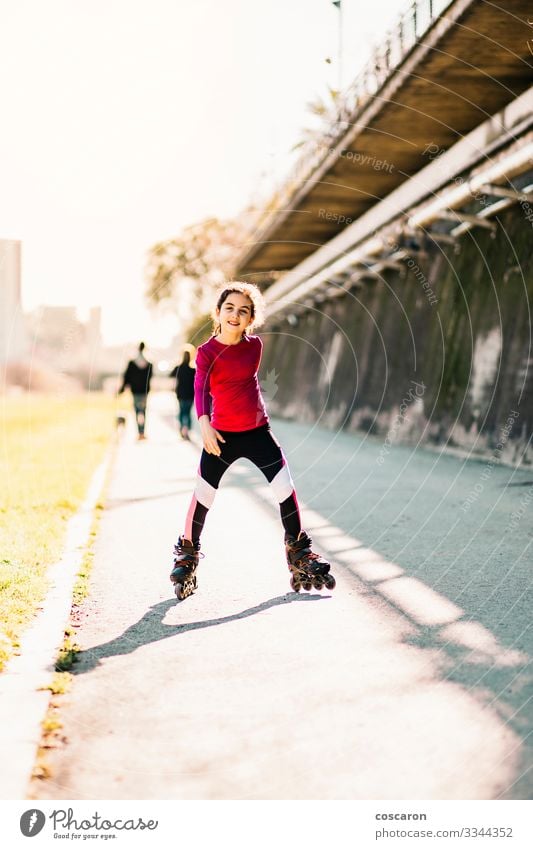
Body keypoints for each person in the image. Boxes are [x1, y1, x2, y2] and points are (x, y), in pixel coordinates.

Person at [169, 282, 336, 600]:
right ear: (217, 313)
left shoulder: (255, 347)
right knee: (204, 494)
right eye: (229, 308)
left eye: (243, 311)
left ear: (250, 319)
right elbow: (201, 388)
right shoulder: (205, 353)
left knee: (285, 487)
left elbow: (242, 382)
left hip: (258, 432)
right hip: (221, 435)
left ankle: (298, 551)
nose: (235, 314)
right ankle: (187, 555)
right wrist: (203, 422)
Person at [118, 342, 153, 440]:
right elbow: (150, 377)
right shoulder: (149, 363)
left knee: (137, 411)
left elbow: (127, 377)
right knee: (143, 411)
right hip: (144, 392)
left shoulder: (132, 363)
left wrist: (122, 389)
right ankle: (142, 432)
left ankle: (139, 432)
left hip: (135, 391)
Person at [170, 347, 195, 440]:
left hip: (180, 394)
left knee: (181, 412)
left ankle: (181, 430)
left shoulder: (178, 368)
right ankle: (187, 431)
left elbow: (171, 375)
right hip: (190, 394)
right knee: (188, 413)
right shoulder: (193, 369)